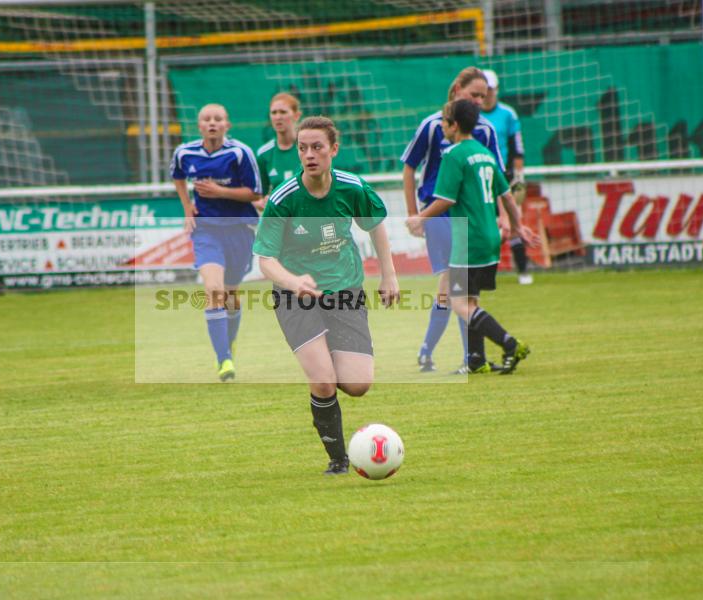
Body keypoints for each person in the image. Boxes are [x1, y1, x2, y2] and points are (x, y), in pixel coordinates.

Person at [253, 116, 399, 475]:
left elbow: (376, 225)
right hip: (295, 297)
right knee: (322, 380)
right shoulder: (284, 198)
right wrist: (293, 282)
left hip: (345, 291)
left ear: (333, 149)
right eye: (302, 148)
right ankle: (338, 460)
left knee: (358, 384)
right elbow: (265, 260)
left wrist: (389, 274)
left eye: (317, 147)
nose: (309, 154)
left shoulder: (351, 188)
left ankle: (326, 362)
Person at [407, 99, 531, 375]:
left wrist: (420, 218)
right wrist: (518, 227)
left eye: (444, 121)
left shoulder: (453, 155)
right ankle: (476, 359)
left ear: (454, 125)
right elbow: (507, 196)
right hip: (489, 238)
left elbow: (445, 200)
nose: (441, 126)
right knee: (471, 300)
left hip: (468, 239)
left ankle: (510, 344)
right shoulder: (485, 154)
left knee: (458, 302)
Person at [401, 67, 504, 373]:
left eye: (483, 97)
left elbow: (495, 175)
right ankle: (469, 357)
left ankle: (435, 353)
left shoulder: (485, 131)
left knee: (455, 289)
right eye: (474, 95)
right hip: (439, 214)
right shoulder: (433, 126)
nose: (479, 101)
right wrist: (415, 214)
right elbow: (409, 167)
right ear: (458, 90)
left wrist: (500, 215)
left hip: (469, 218)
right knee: (455, 285)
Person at [171, 103, 262, 382]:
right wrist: (187, 208)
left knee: (231, 295)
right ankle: (223, 360)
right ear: (199, 126)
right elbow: (177, 177)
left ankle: (227, 345)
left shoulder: (240, 153)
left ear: (227, 125)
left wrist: (219, 191)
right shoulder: (184, 152)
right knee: (213, 290)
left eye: (218, 119)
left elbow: (254, 193)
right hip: (206, 230)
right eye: (207, 119)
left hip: (239, 229)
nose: (212, 123)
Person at [480, 69, 533, 285]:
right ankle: (483, 272)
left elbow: (517, 149)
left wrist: (518, 178)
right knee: (483, 226)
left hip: (504, 176)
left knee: (513, 222)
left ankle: (523, 271)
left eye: (491, 89)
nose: (488, 94)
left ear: (497, 90)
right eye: (485, 89)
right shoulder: (472, 115)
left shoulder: (508, 114)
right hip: (479, 176)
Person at [256, 92, 304, 198]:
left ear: (297, 115)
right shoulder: (264, 154)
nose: (278, 117)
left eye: (283, 112)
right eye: (274, 113)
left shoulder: (308, 148)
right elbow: (259, 195)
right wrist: (261, 202)